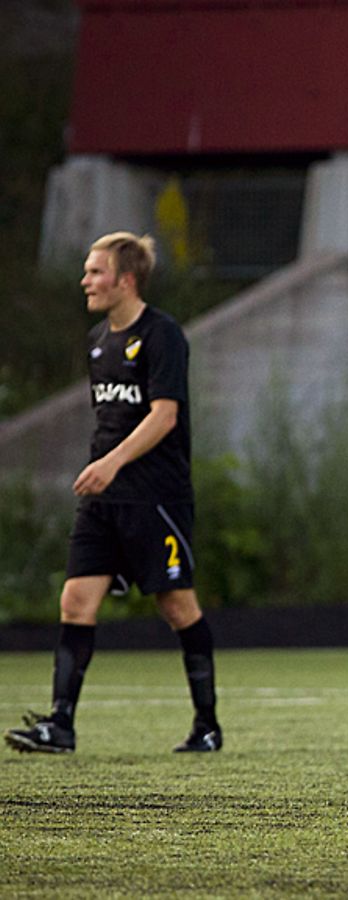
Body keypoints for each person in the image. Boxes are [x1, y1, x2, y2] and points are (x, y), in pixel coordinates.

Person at [5, 233, 221, 755]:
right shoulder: (98, 340)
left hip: (155, 497)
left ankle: (207, 725)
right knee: (76, 601)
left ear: (126, 279)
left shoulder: (163, 335)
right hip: (103, 499)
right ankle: (60, 725)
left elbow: (164, 417)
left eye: (96, 272)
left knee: (177, 606)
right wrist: (101, 469)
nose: (86, 281)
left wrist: (110, 463)